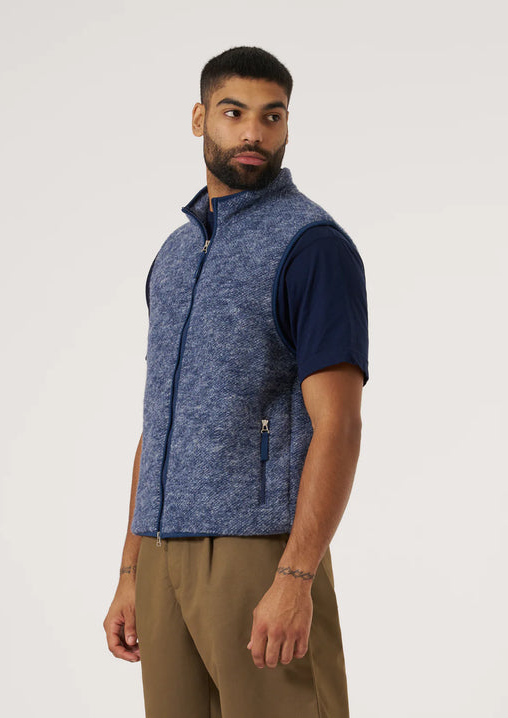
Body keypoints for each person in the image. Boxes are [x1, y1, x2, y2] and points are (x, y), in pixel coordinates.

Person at [103, 46, 369, 718]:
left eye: (271, 116)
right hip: (161, 554)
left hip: (257, 554)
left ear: (287, 126)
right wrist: (131, 569)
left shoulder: (312, 246)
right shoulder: (173, 255)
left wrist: (295, 576)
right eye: (234, 113)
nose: (253, 132)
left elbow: (338, 425)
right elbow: (158, 422)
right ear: (199, 119)